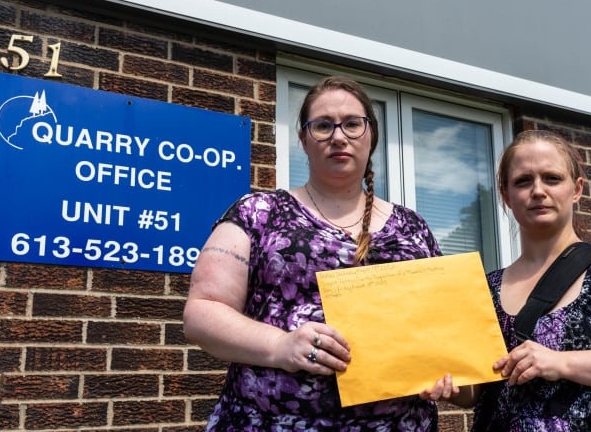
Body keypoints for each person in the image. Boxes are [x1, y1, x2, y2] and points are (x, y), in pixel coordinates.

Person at [183, 76, 443, 430]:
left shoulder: (413, 228)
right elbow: (201, 313)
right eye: (322, 125)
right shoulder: (258, 211)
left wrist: (442, 369)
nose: (339, 136)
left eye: (353, 124)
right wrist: (281, 345)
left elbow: (442, 325)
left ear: (372, 136)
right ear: (304, 140)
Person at [420, 130, 591, 430]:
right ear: (505, 194)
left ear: (577, 189)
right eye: (523, 181)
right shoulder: (486, 289)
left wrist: (560, 362)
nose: (538, 190)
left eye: (552, 178)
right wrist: (445, 382)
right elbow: (476, 390)